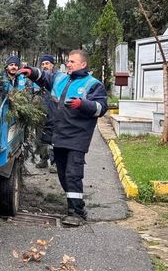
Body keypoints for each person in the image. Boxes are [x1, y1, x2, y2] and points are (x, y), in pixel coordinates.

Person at [17, 49, 107, 226]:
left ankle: (76, 213)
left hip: (78, 137)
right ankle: (75, 204)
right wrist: (31, 72)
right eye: (68, 61)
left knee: (73, 174)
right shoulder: (60, 78)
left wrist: (82, 104)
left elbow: (101, 107)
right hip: (59, 135)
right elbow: (45, 77)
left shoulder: (93, 85)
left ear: (83, 64)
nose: (68, 64)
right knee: (63, 174)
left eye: (72, 61)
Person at [34, 54, 56, 171]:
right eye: (42, 64)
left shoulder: (56, 80)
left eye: (47, 63)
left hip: (54, 113)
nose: (44, 66)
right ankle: (43, 159)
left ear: (52, 65)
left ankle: (54, 162)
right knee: (40, 137)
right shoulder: (37, 81)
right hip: (40, 114)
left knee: (53, 139)